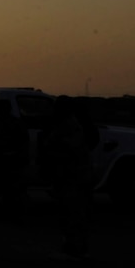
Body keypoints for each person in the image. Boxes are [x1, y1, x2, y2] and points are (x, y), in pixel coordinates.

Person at [40, 95, 100, 258]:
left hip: (74, 177)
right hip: (70, 177)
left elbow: (71, 151)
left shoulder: (70, 127)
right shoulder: (64, 125)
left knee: (75, 213)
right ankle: (73, 245)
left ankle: (76, 247)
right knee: (71, 213)